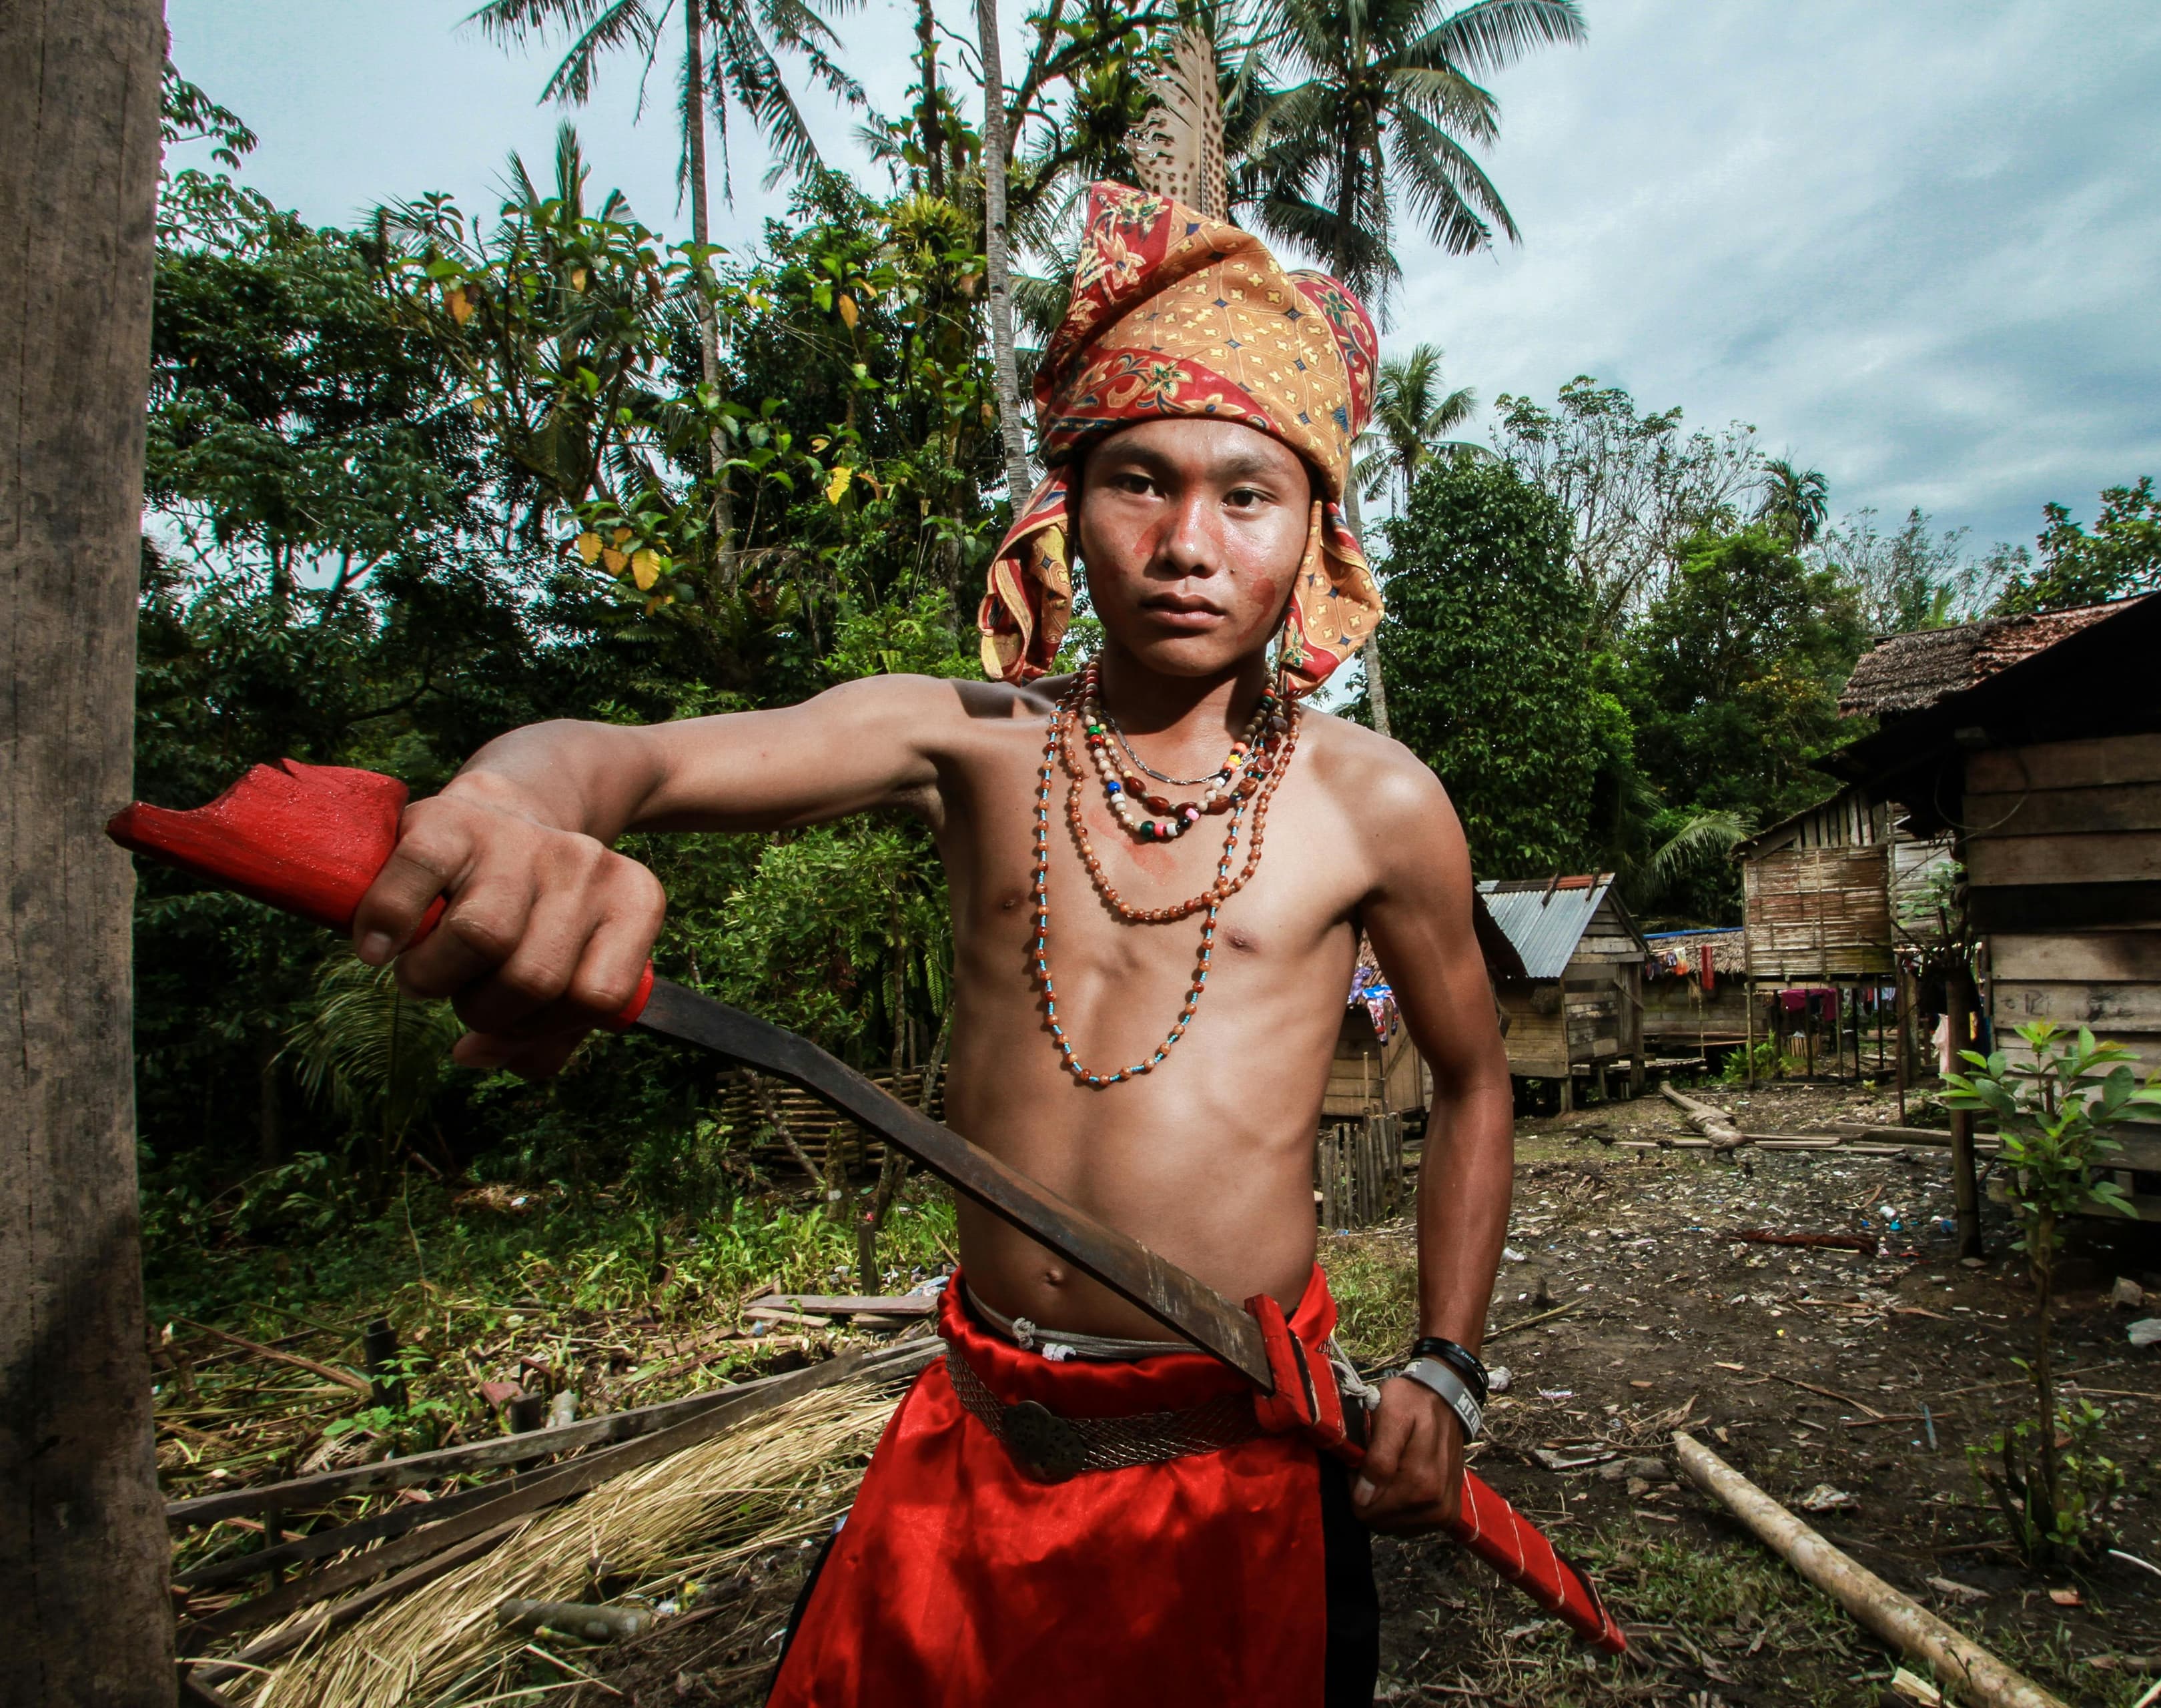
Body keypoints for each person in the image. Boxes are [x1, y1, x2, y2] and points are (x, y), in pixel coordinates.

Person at [350, 183, 1515, 1707]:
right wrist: (520, 798)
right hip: (978, 1443)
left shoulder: (1378, 803)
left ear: (1312, 536)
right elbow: (633, 756)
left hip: (1243, 1453)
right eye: (1138, 481)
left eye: (1247, 494)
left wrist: (1446, 1362)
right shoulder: (974, 740)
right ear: (1065, 509)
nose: (1185, 541)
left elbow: (1476, 1079)